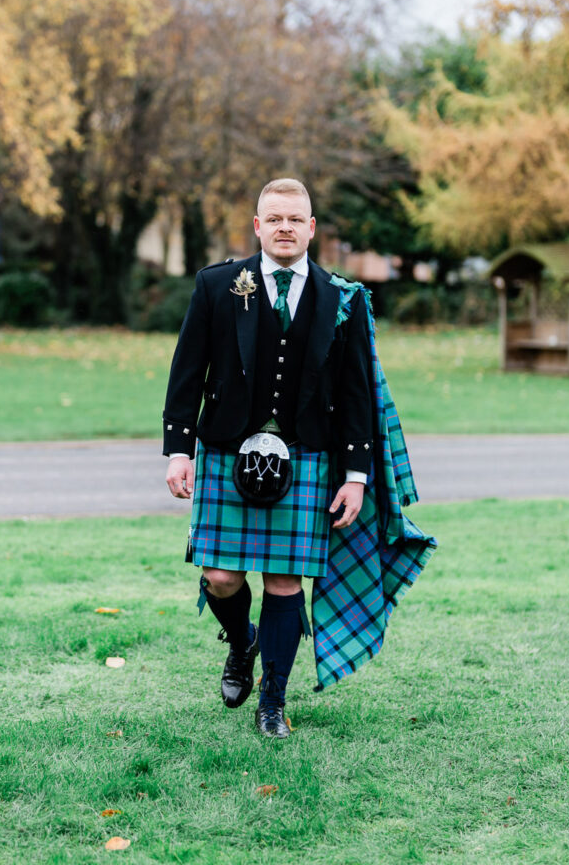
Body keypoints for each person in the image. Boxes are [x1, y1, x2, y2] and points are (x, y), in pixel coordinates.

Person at [161, 177, 435, 738]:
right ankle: (243, 643)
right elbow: (188, 372)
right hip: (225, 450)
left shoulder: (343, 298)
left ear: (311, 229)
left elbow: (358, 393)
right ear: (258, 227)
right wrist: (177, 451)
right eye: (274, 219)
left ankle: (273, 702)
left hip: (307, 455)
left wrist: (356, 476)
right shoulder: (217, 286)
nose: (285, 228)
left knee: (285, 583)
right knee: (219, 575)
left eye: (296, 219)